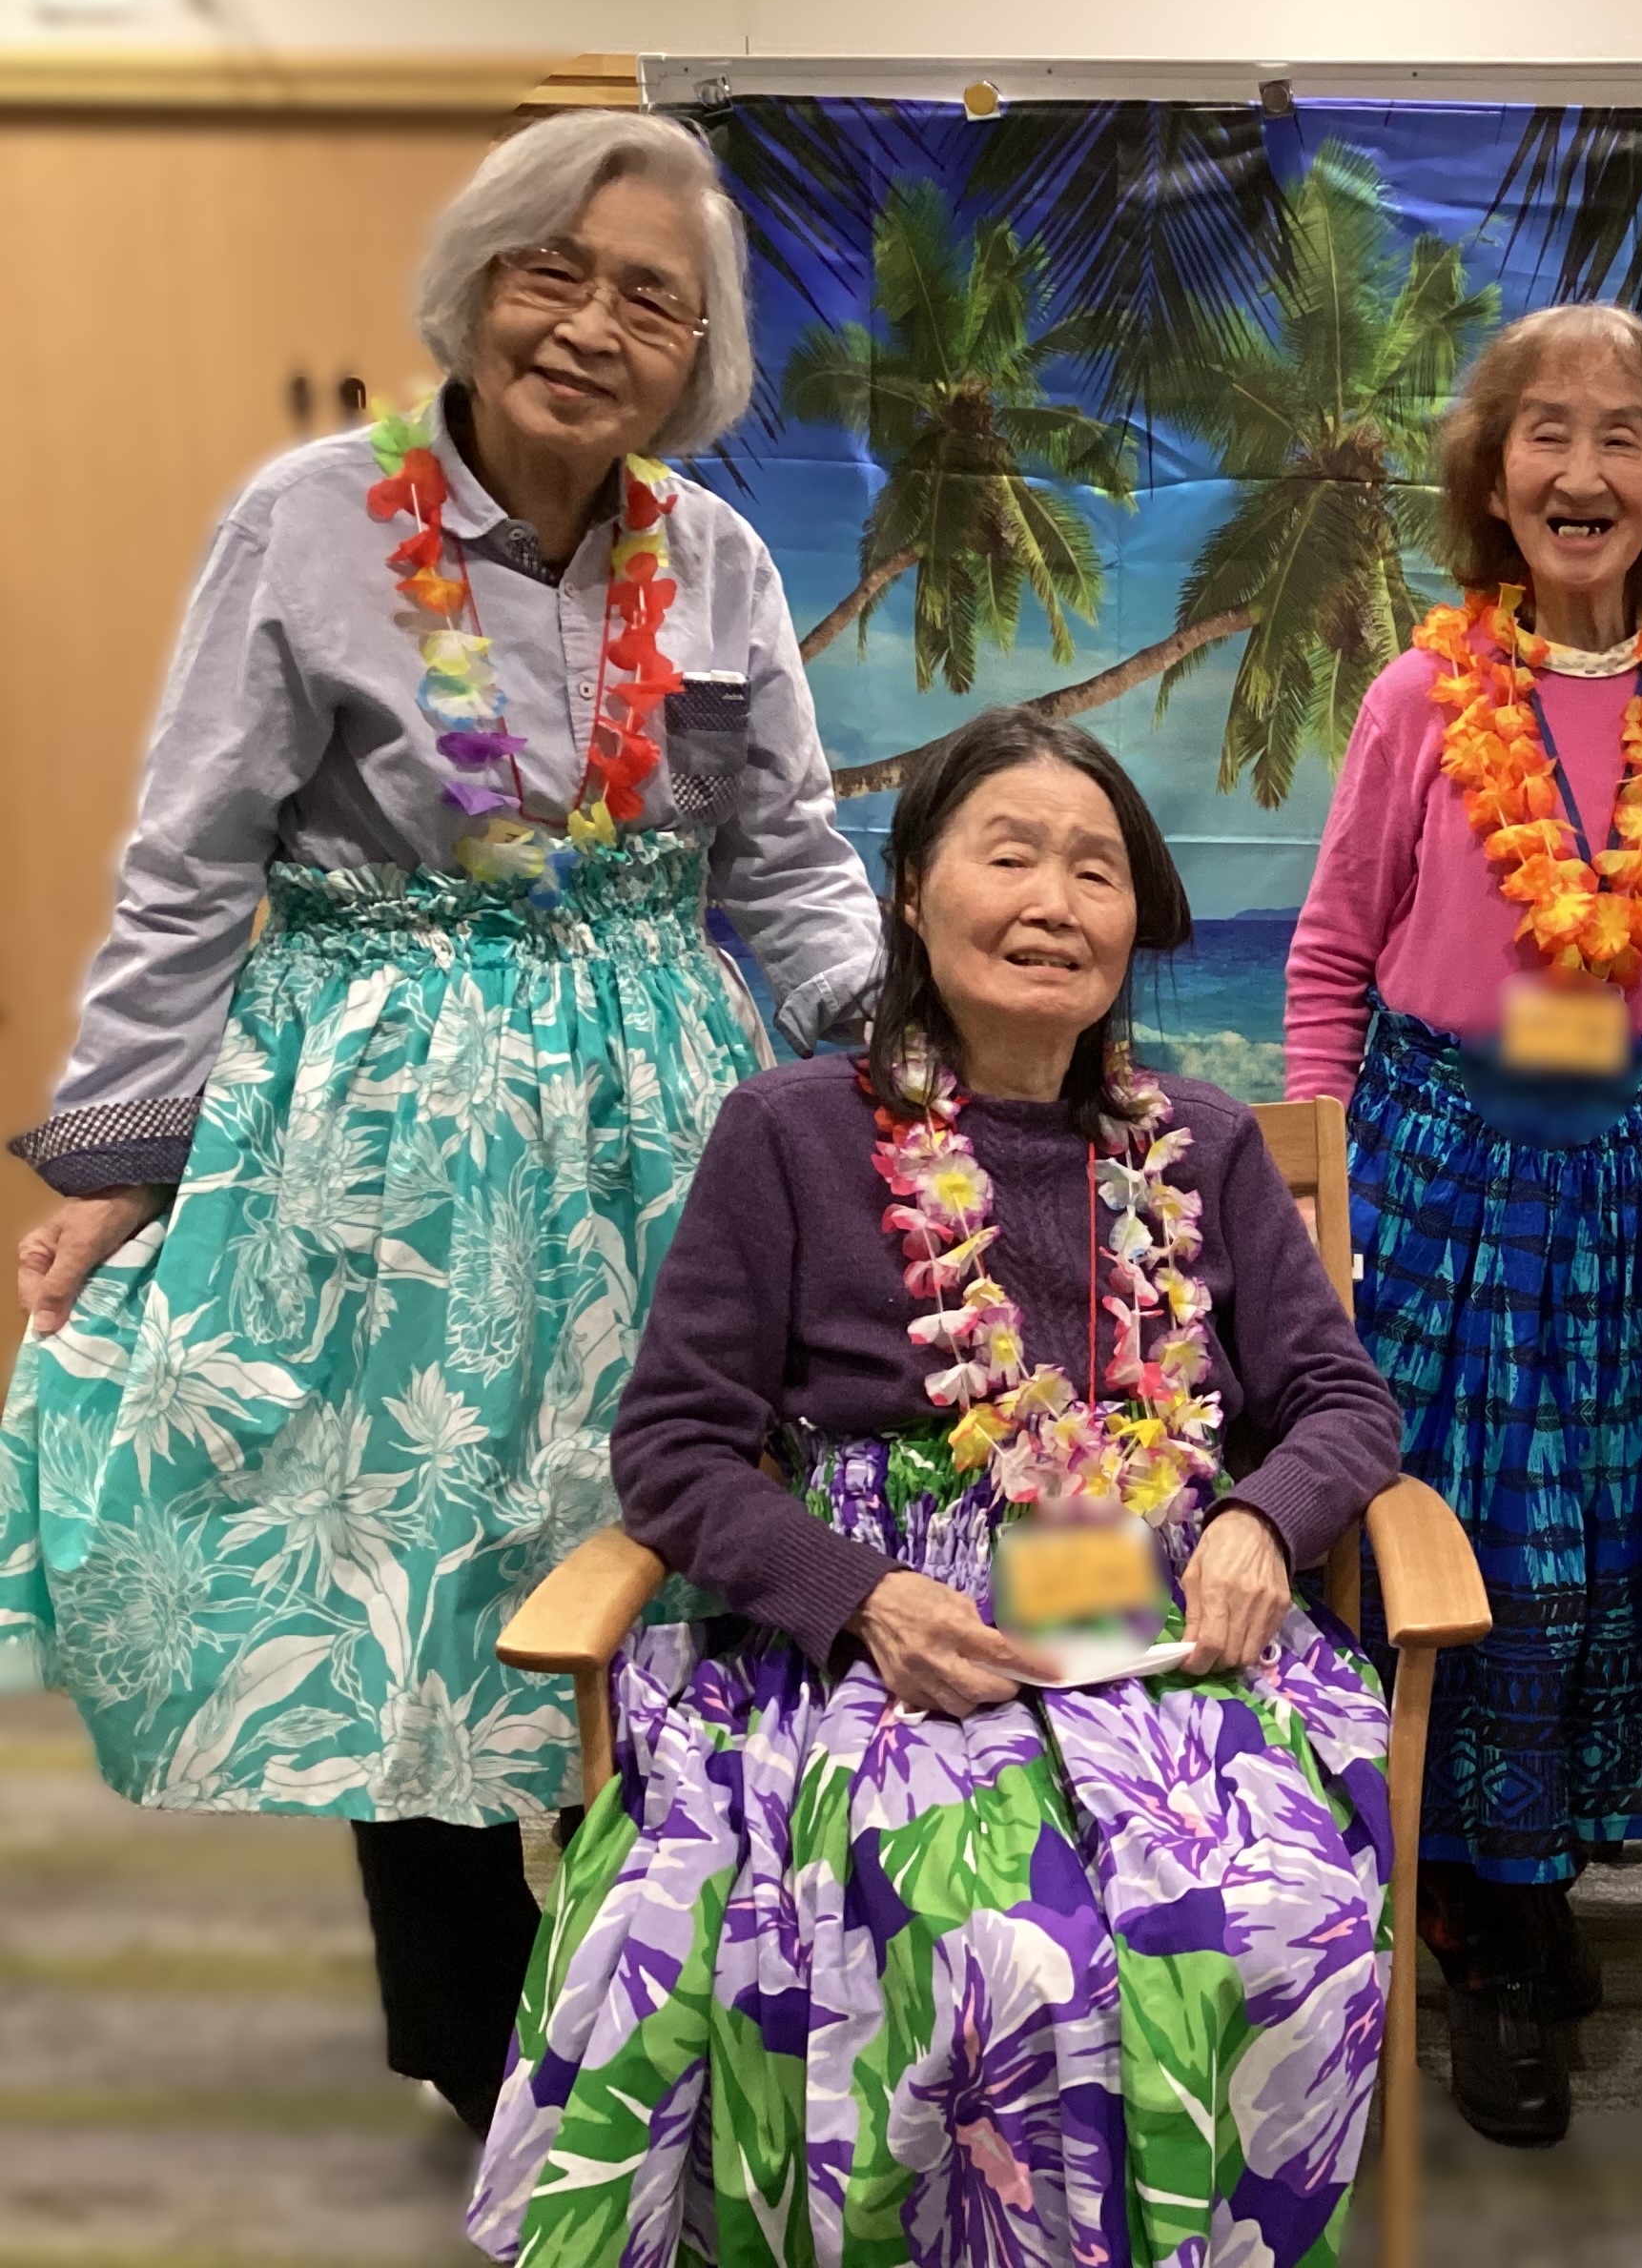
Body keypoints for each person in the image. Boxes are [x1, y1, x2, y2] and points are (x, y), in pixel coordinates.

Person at [0, 111, 881, 2126]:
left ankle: (665, 1994)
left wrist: (892, 1069)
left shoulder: (718, 560)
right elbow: (187, 856)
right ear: (476, 288)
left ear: (700, 356)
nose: (590, 326)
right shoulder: (311, 520)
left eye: (650, 298)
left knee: (657, 1529)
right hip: (382, 1125)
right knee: (411, 1568)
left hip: (665, 1105)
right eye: (550, 272)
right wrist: (130, 1169)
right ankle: (477, 2053)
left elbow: (797, 867)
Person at [469, 707, 1405, 2262]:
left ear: (1135, 920)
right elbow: (676, 1447)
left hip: (1172, 1637)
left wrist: (1259, 1519)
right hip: (877, 1654)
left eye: (1095, 870)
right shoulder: (790, 1135)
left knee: (1265, 1920)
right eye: (1010, 854)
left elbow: (1336, 1401)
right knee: (978, 1946)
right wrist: (859, 1598)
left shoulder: (1209, 1141)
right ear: (911, 889)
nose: (1055, 901)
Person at [1283, 303, 1642, 2144]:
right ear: (1491, 474)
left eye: (1623, 437)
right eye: (1547, 433)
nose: (1582, 471)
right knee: (1486, 1565)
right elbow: (1328, 964)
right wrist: (1322, 1223)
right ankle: (1500, 1942)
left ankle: (1575, 1878)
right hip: (1464, 1190)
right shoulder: (1414, 700)